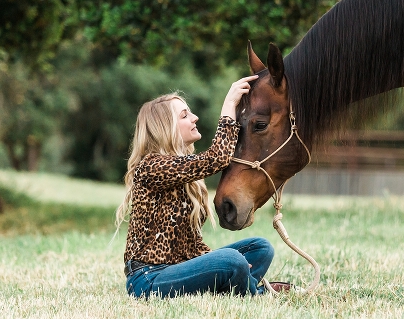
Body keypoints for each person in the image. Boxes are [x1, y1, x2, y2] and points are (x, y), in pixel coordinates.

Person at [115, 75, 289, 298]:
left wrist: (213, 265)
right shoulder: (152, 167)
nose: (195, 118)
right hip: (149, 279)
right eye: (185, 115)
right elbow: (216, 158)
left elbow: (193, 245)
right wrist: (229, 106)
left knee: (260, 248)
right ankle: (256, 292)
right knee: (233, 261)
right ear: (164, 127)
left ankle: (238, 284)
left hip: (178, 270)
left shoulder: (182, 171)